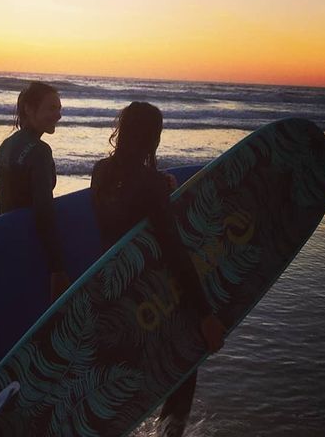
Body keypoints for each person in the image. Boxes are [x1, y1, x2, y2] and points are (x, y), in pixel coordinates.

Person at [90, 101, 225, 437]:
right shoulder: (149, 184)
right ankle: (170, 430)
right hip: (149, 291)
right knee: (186, 355)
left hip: (111, 291)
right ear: (153, 137)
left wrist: (157, 187)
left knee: (119, 374)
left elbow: (122, 214)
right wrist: (205, 313)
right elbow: (174, 249)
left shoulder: (100, 171)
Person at [0, 81, 70, 302]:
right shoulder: (40, 151)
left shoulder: (6, 145)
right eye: (51, 108)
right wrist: (57, 268)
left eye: (59, 109)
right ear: (29, 109)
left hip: (8, 240)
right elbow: (44, 211)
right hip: (32, 247)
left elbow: (2, 203)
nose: (58, 115)